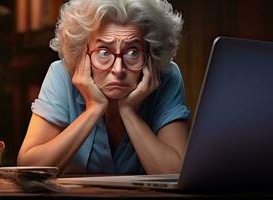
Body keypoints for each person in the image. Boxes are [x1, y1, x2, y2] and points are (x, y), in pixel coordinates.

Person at [17, 0, 190, 175]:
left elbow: (178, 172)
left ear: (151, 54)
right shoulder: (61, 74)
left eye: (133, 52)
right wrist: (94, 109)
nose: (118, 69)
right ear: (82, 53)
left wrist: (129, 112)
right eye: (104, 52)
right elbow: (28, 168)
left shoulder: (166, 77)